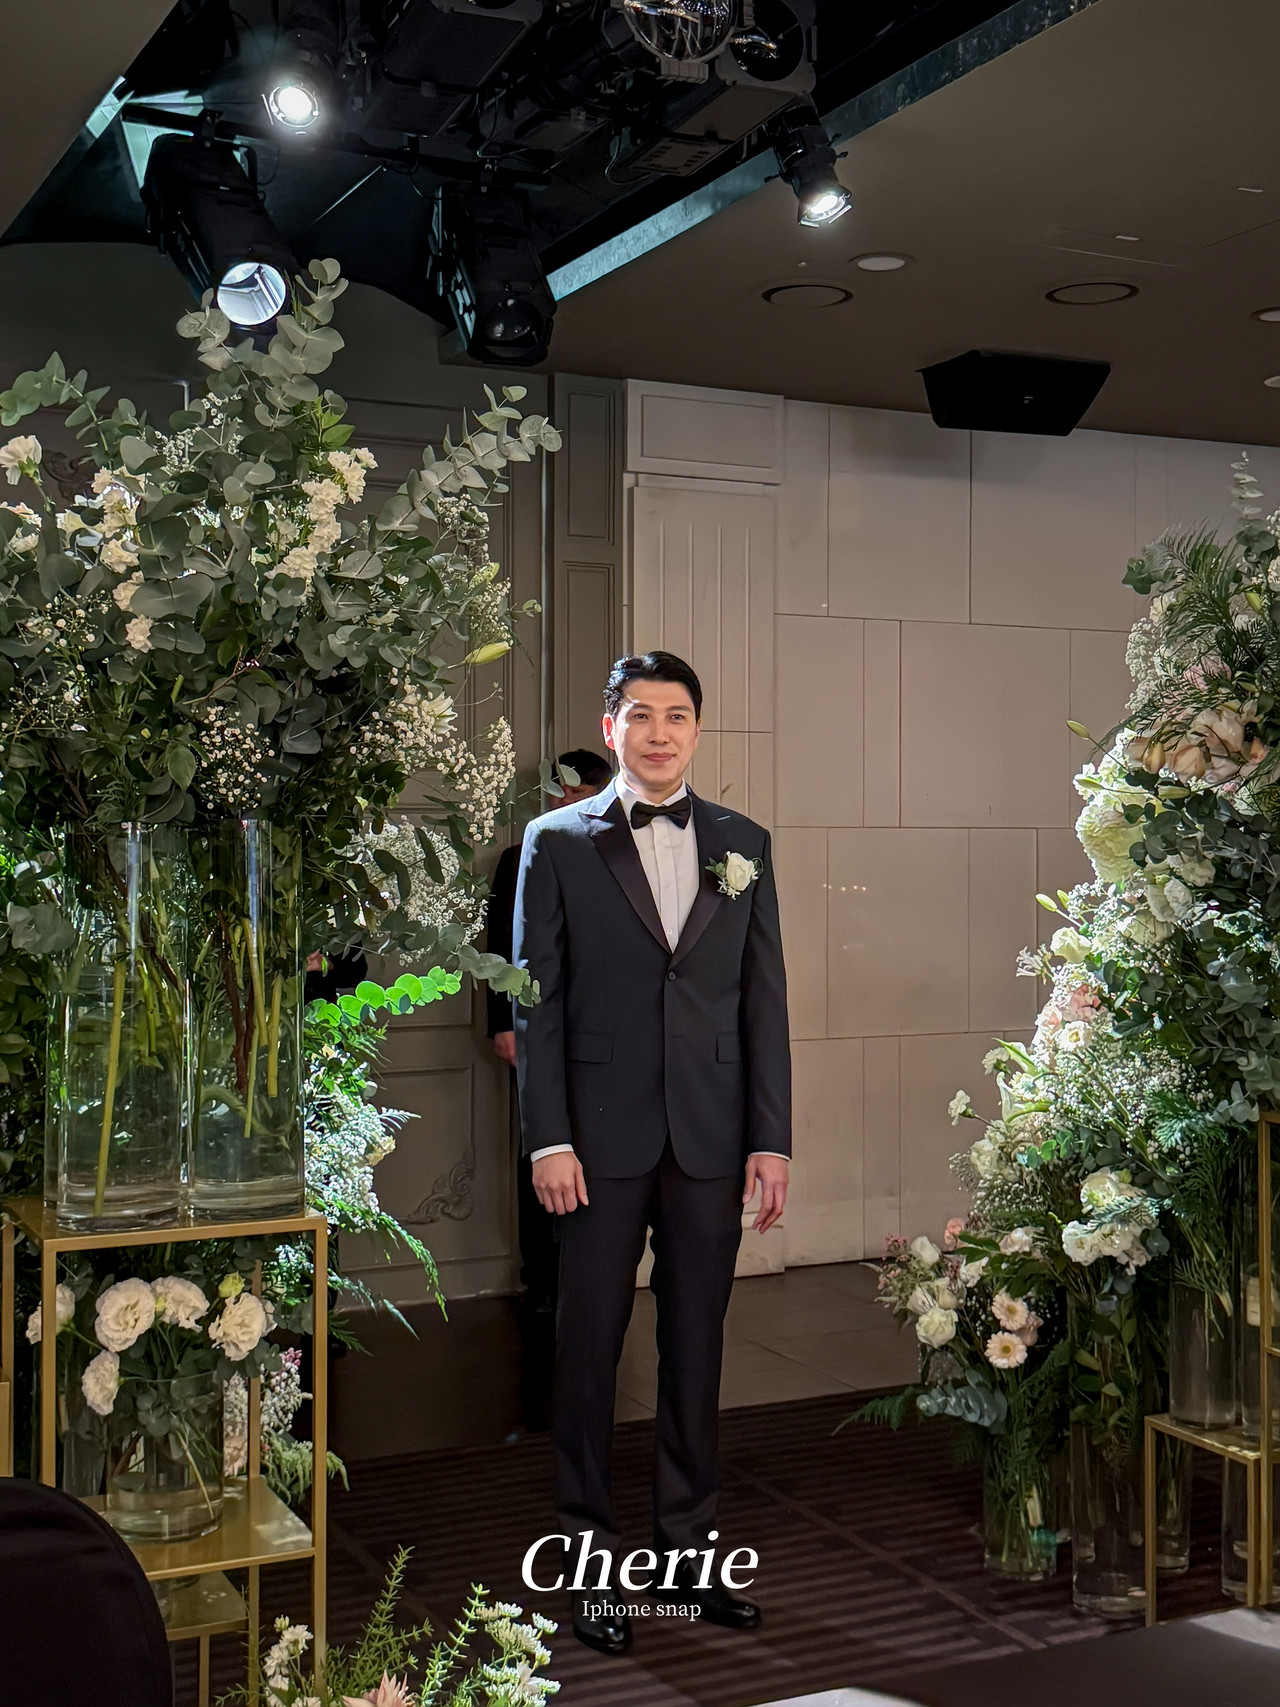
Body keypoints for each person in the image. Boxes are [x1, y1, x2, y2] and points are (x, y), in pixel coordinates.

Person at [513, 651, 791, 1655]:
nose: (660, 732)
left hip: (711, 1137)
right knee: (588, 1351)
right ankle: (592, 1565)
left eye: (676, 715)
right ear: (612, 726)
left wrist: (769, 1139)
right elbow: (535, 1002)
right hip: (592, 1140)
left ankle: (687, 1556)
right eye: (640, 715)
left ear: (697, 730)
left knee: (696, 1348)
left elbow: (763, 1002)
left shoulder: (743, 842)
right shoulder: (555, 842)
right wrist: (548, 1136)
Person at [487, 749, 614, 1427]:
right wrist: (502, 1024)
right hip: (535, 1027)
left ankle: (583, 1278)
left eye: (581, 789)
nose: (569, 798)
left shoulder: (613, 854)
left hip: (597, 1038)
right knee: (538, 1147)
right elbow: (499, 949)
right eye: (561, 789)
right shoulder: (521, 855)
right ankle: (538, 1278)